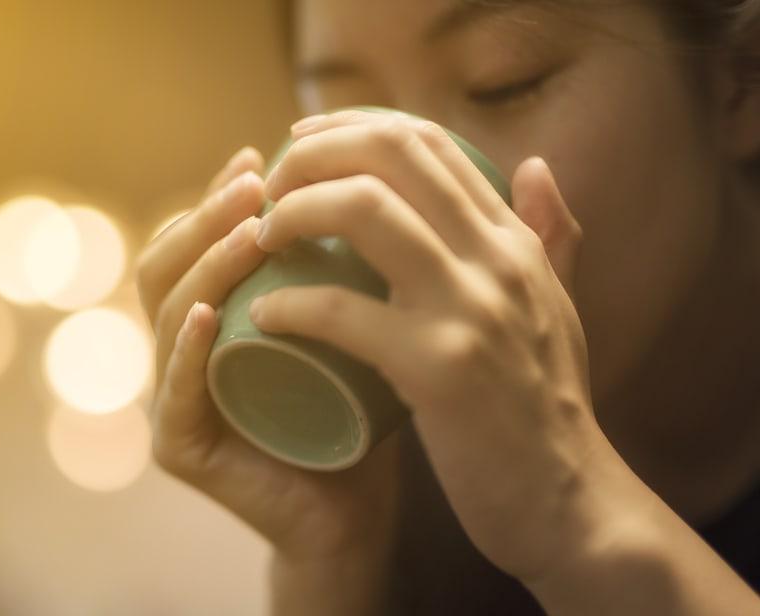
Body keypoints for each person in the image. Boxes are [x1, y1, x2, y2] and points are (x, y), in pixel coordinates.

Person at [135, 1, 760, 613]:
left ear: (740, 73)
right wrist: (334, 570)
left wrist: (573, 510)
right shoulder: (400, 476)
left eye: (502, 83)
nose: (390, 192)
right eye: (347, 110)